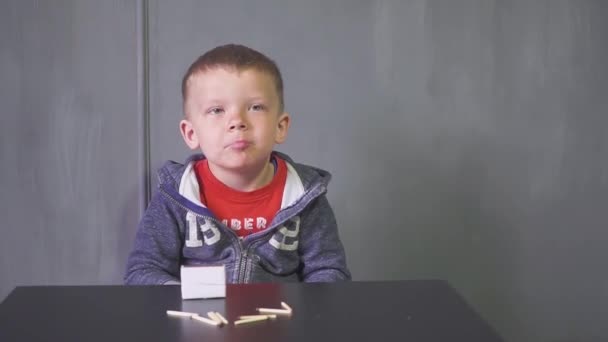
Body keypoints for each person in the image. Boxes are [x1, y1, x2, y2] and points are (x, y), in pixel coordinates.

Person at [124, 44, 350, 284]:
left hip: (281, 317)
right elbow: (143, 272)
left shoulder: (305, 196)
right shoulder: (175, 196)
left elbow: (329, 271)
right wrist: (186, 298)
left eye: (255, 107)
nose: (237, 122)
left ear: (280, 127)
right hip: (199, 317)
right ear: (191, 133)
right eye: (216, 110)